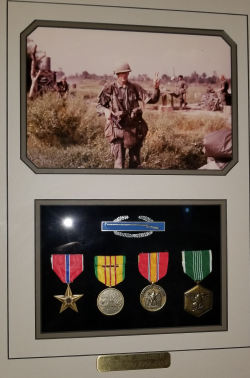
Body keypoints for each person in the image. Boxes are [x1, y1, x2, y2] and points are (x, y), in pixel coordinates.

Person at [96, 61, 160, 169]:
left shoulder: (135, 88)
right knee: (119, 164)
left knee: (135, 163)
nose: (124, 75)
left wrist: (156, 88)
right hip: (118, 130)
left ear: (129, 73)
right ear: (116, 74)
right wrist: (106, 111)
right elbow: (98, 106)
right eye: (121, 73)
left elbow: (152, 99)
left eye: (126, 72)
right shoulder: (109, 89)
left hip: (134, 130)